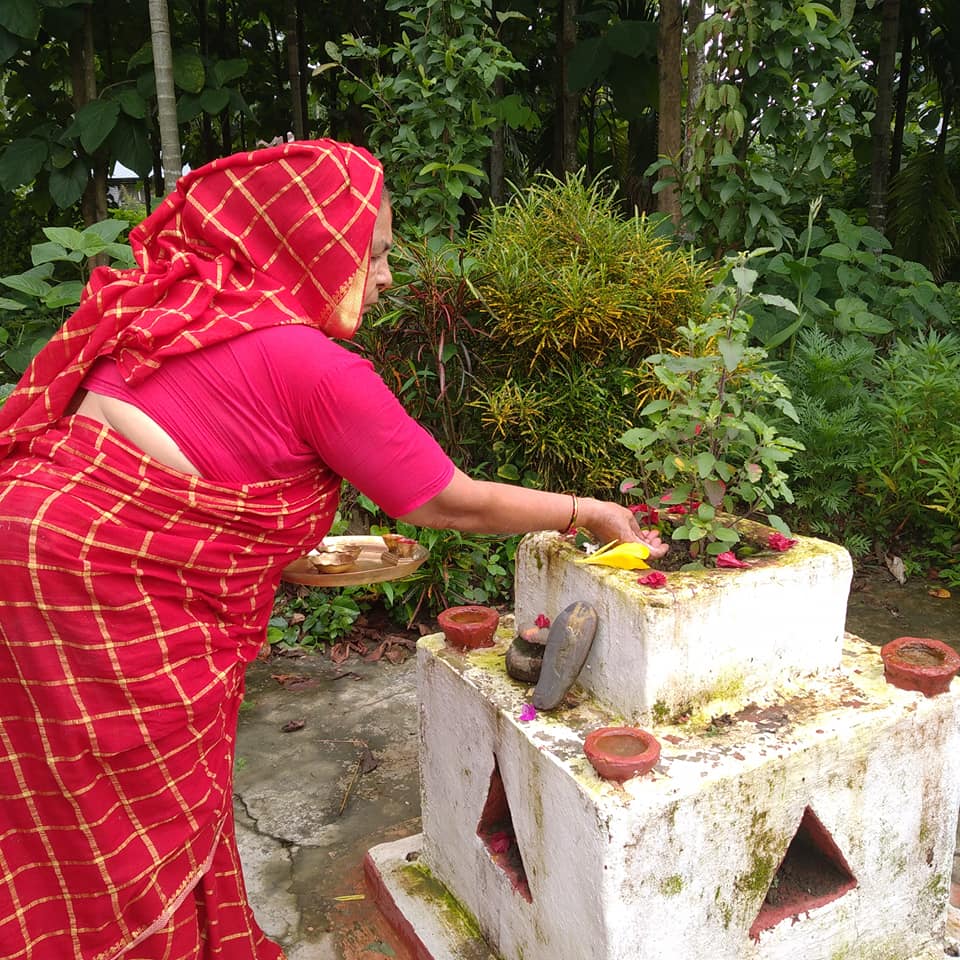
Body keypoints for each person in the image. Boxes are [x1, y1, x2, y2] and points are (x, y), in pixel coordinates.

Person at [0, 139, 666, 960]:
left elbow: (189, 467)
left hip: (36, 545)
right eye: (376, 254)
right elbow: (449, 503)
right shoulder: (312, 364)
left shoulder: (187, 314)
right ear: (313, 248)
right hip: (94, 587)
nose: (386, 276)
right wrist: (588, 511)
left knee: (60, 802)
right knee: (131, 817)